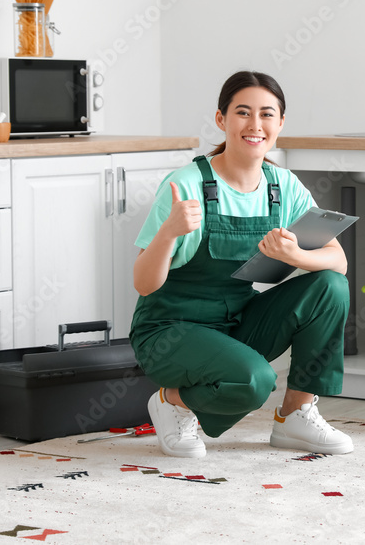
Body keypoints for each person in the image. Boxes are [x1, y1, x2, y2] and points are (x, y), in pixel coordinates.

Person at [129, 70, 353, 459]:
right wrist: (168, 233)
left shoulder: (283, 186)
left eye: (267, 114)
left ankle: (295, 415)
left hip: (235, 322)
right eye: (243, 113)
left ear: (280, 123)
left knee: (329, 285)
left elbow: (339, 260)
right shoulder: (186, 184)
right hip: (171, 328)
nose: (255, 125)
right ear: (222, 120)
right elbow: (144, 284)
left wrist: (295, 257)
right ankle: (171, 401)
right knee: (256, 381)